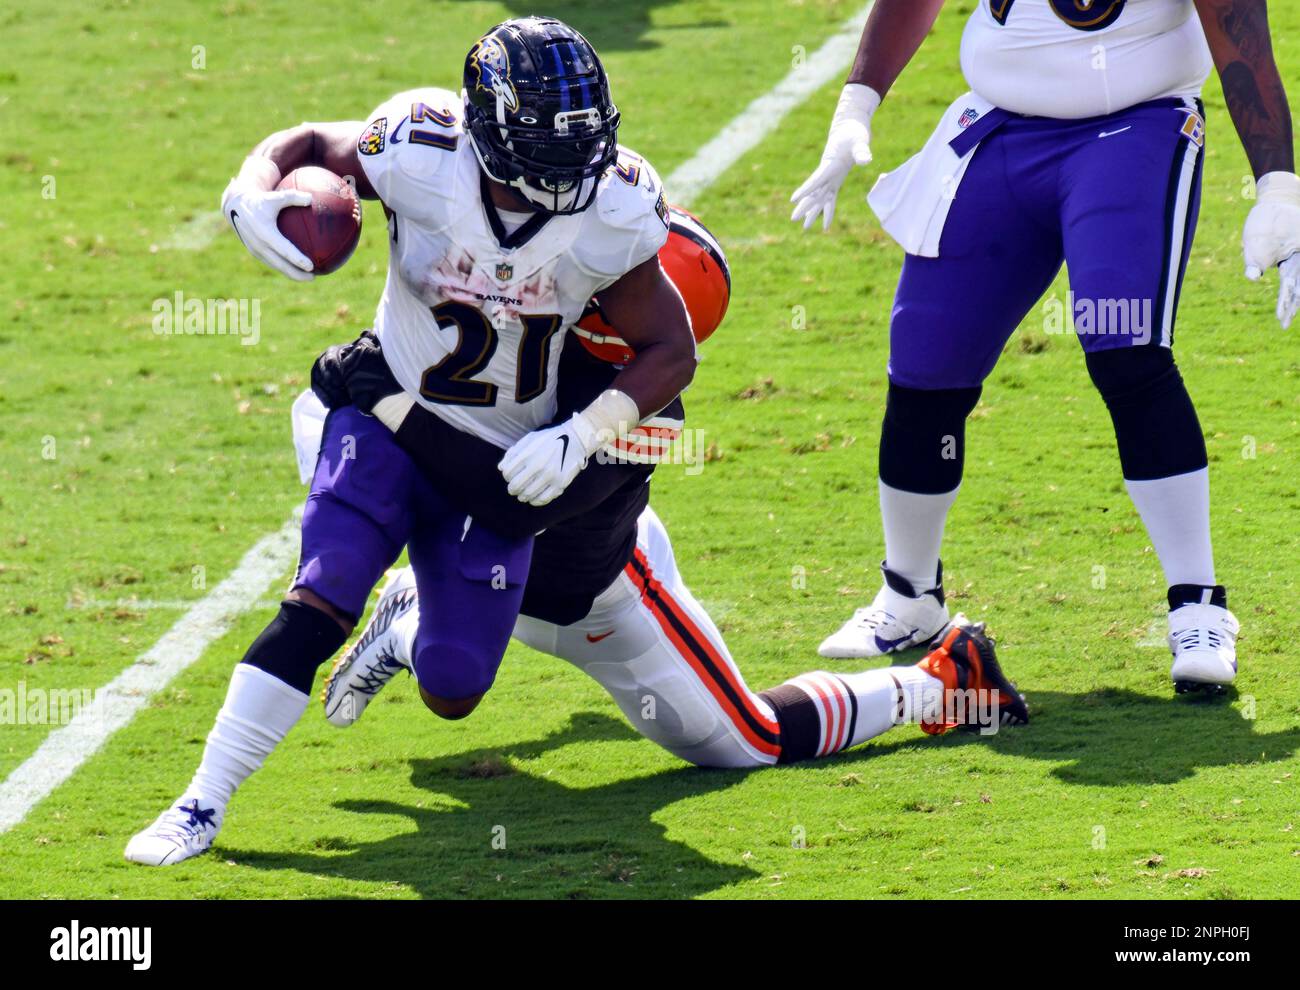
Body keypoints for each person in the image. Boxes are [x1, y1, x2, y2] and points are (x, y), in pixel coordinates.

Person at [125, 16, 694, 866]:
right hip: (385, 413)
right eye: (549, 144)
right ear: (491, 130)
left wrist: (585, 433)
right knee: (321, 594)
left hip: (499, 454)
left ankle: (408, 620)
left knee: (456, 687)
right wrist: (253, 185)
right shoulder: (421, 149)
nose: (574, 168)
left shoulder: (614, 206)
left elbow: (671, 351)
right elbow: (316, 138)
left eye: (584, 141)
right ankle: (202, 803)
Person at [312, 218, 1028, 771]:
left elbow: (507, 506)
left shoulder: (647, 415)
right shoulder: (519, 314)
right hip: (482, 571)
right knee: (342, 458)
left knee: (748, 740)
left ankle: (941, 682)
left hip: (597, 600)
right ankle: (422, 608)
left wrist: (390, 405)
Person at [792, 0, 1300, 693]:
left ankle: (1198, 605)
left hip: (1137, 126)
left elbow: (1238, 26)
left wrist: (1277, 185)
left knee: (1125, 346)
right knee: (925, 360)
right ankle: (911, 594)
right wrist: (855, 108)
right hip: (999, 129)